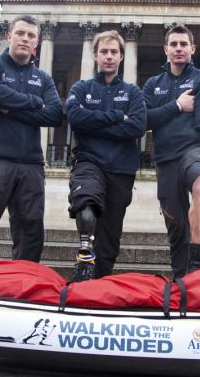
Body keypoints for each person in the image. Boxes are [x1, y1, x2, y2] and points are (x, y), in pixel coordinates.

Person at [0, 15, 63, 263]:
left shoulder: (43, 78)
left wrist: (11, 107)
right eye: (20, 33)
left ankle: (23, 288)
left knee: (31, 232)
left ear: (37, 42)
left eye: (31, 35)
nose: (25, 39)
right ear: (9, 36)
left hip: (30, 164)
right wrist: (33, 103)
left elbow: (54, 114)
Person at [65, 30, 147, 282]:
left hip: (121, 170)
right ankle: (85, 255)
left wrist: (93, 123)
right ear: (95, 56)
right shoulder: (81, 87)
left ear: (121, 56)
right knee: (86, 202)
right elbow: (74, 118)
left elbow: (137, 127)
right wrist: (115, 117)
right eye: (104, 52)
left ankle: (98, 285)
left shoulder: (133, 92)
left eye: (114, 52)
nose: (109, 57)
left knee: (110, 238)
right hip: (88, 161)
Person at [143, 25, 200, 278]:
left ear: (192, 49)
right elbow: (142, 121)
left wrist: (160, 114)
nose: (178, 49)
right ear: (165, 49)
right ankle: (180, 279)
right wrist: (177, 106)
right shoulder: (153, 84)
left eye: (183, 44)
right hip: (165, 158)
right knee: (175, 225)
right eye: (173, 44)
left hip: (193, 149)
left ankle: (199, 265)